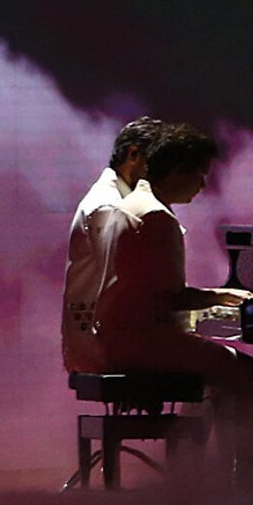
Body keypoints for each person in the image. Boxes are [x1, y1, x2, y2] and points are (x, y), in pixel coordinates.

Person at [90, 123, 253, 481]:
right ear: (176, 171)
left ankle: (194, 477)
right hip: (142, 341)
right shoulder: (156, 218)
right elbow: (173, 298)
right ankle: (252, 481)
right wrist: (223, 296)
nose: (203, 185)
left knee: (211, 372)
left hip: (118, 336)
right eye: (199, 175)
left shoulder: (128, 207)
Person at [62, 116, 164, 373]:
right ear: (133, 155)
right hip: (101, 346)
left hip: (110, 336)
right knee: (232, 370)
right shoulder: (108, 206)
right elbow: (121, 285)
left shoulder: (122, 200)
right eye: (162, 162)